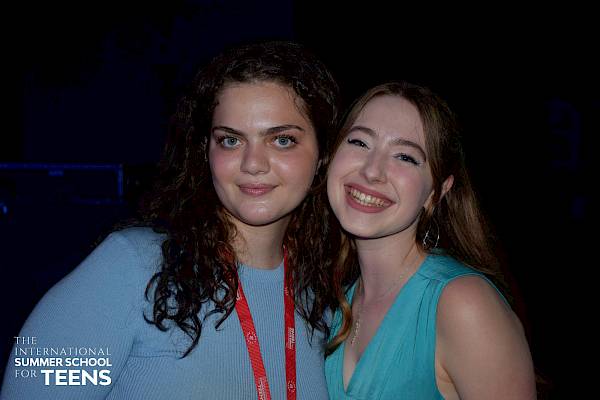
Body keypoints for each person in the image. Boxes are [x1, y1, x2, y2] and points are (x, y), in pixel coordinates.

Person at [2, 41, 339, 399]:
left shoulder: (322, 300)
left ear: (322, 154)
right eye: (230, 140)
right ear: (205, 151)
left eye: (282, 140)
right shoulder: (133, 268)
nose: (253, 163)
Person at [324, 82, 536, 399]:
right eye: (359, 142)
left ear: (437, 191)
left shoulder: (463, 305)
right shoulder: (335, 302)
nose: (372, 171)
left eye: (405, 157)